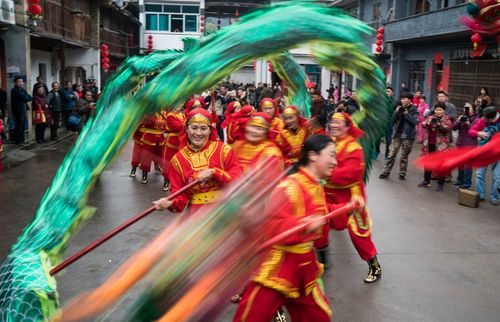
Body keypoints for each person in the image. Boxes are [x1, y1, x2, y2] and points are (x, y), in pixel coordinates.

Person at [233, 135, 341, 322]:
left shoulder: (315, 185)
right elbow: (273, 226)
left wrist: (348, 208)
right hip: (278, 269)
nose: (335, 161)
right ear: (313, 155)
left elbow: (323, 213)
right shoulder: (290, 186)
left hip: (304, 268)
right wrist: (304, 225)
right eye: (331, 155)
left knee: (320, 317)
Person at [325, 112, 381, 282]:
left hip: (351, 197)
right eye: (332, 122)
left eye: (338, 123)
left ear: (348, 127)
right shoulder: (329, 142)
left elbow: (349, 174)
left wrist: (324, 173)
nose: (334, 125)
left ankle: (374, 266)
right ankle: (321, 261)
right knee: (317, 226)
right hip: (328, 194)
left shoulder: (353, 148)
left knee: (359, 235)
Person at [153, 108, 242, 214]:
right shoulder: (178, 160)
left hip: (225, 211)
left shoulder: (224, 151)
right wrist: (170, 202)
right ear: (186, 128)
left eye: (203, 128)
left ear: (210, 130)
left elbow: (238, 180)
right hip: (197, 217)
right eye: (194, 128)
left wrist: (215, 172)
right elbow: (180, 196)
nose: (198, 133)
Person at [379, 92, 419, 180]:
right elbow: (392, 121)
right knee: (391, 154)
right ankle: (386, 172)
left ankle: (402, 173)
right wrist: (396, 112)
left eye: (405, 99)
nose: (402, 100)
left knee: (404, 155)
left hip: (407, 136)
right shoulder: (399, 107)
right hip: (397, 134)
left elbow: (415, 122)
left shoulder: (414, 109)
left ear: (409, 100)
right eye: (402, 99)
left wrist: (407, 114)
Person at [418, 103, 453, 191]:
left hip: (441, 146)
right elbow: (423, 124)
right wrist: (428, 123)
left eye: (440, 110)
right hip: (429, 144)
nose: (438, 112)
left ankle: (440, 184)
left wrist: (439, 124)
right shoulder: (430, 117)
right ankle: (426, 181)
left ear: (444, 111)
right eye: (437, 110)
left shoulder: (447, 119)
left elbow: (446, 129)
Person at [468, 106, 499, 205]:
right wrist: (478, 133)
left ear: (493, 117)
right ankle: (480, 194)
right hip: (483, 151)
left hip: (497, 154)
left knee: (497, 177)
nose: (485, 120)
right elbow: (471, 131)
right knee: (479, 174)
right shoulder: (482, 121)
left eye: (487, 119)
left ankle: (494, 197)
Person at [452, 103, 477, 189]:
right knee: (460, 164)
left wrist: (468, 123)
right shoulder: (461, 117)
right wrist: (458, 121)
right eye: (465, 108)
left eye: (469, 108)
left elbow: (475, 131)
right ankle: (460, 181)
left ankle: (467, 184)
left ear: (473, 109)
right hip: (461, 143)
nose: (466, 109)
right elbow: (454, 128)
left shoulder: (476, 119)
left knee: (468, 165)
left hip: (470, 144)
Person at [160, 109, 186, 191]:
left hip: (182, 140)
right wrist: (187, 123)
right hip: (172, 141)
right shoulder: (170, 115)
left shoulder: (183, 115)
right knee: (169, 162)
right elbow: (178, 127)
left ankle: (179, 183)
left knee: (181, 162)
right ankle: (166, 182)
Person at [11, 76, 32, 146]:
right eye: (19, 81)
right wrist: (26, 97)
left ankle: (21, 141)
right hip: (17, 112)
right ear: (15, 82)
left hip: (23, 111)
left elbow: (29, 97)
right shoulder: (14, 90)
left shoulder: (22, 90)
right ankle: (17, 142)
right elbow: (25, 98)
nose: (21, 83)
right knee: (18, 127)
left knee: (22, 127)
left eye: (22, 81)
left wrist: (26, 97)